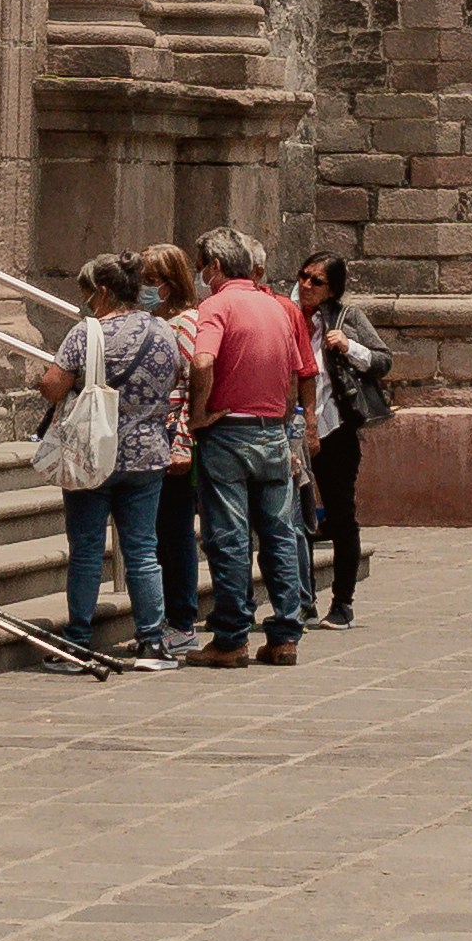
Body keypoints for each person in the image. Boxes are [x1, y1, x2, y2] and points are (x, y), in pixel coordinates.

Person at [33, 253, 185, 666]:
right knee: (141, 549)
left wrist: (41, 377)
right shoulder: (164, 332)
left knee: (85, 550)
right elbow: (175, 377)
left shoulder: (87, 334)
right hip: (147, 454)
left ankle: (78, 639)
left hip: (91, 455)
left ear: (101, 291)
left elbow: (52, 387)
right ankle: (152, 639)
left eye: (87, 292)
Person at [179, 223, 313, 665]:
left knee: (230, 537)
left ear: (215, 267)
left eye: (202, 268)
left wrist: (199, 415)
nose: (202, 275)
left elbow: (202, 360)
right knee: (278, 535)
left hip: (229, 433)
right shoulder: (276, 307)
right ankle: (285, 634)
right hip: (271, 430)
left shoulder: (216, 305)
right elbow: (295, 373)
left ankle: (232, 636)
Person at [300, 254, 393, 626]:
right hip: (294, 431)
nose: (307, 286)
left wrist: (349, 347)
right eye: (303, 277)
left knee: (340, 516)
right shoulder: (287, 316)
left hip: (336, 428)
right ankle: (302, 599)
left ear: (333, 289)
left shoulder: (346, 318)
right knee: (296, 520)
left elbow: (383, 361)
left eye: (316, 281)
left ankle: (342, 602)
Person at [137, 244, 204, 641]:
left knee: (175, 529)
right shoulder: (157, 320)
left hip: (172, 435)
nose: (144, 289)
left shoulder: (182, 324)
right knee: (162, 529)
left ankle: (181, 619)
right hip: (156, 433)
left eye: (150, 282)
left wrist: (183, 441)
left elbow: (190, 388)